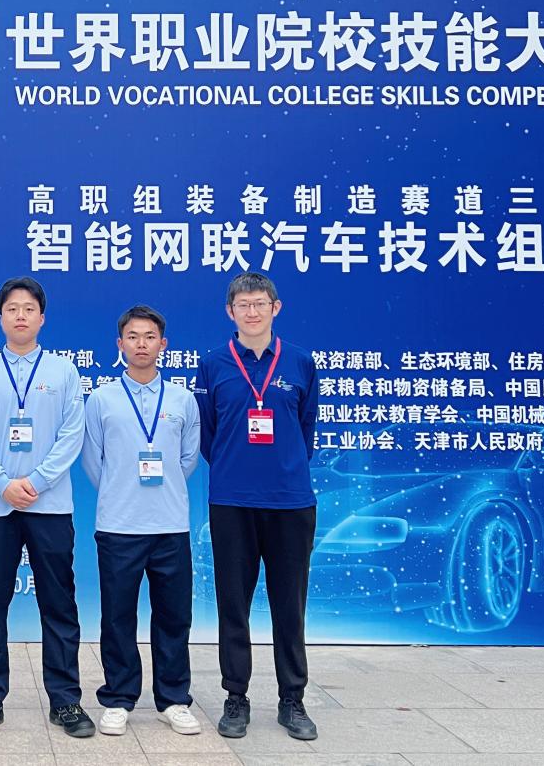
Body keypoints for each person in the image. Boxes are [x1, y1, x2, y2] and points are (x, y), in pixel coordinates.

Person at [0, 277, 95, 739]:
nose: (20, 315)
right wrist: (2, 484)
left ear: (42, 317)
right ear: (0, 318)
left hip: (49, 506)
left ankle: (66, 700)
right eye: (12, 308)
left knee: (59, 603)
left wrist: (35, 482)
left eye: (29, 308)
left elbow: (72, 435)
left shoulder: (64, 371)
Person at [194, 272, 319, 741]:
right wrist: (237, 467)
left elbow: (305, 429)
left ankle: (292, 699)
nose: (252, 311)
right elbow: (208, 433)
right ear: (230, 312)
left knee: (290, 605)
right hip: (232, 502)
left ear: (275, 308)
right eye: (243, 305)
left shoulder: (300, 362)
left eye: (260, 303)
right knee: (233, 604)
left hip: (290, 502)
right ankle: (236, 697)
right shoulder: (213, 365)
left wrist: (281, 468)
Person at [82, 305, 201, 737]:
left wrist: (157, 489)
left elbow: (187, 459)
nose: (141, 344)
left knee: (173, 617)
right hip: (119, 525)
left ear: (163, 344)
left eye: (150, 337)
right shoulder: (101, 399)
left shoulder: (182, 399)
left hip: (170, 524)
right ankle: (118, 698)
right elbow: (93, 461)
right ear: (120, 344)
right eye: (133, 337)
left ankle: (173, 699)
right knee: (117, 617)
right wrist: (122, 490)